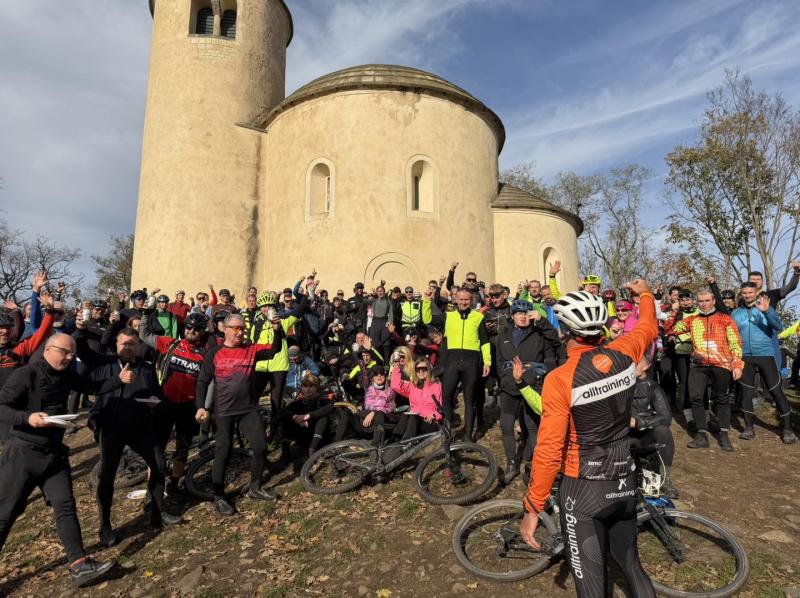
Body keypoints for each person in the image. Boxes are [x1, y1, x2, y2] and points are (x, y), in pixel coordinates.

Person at [520, 280, 658, 598]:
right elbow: (648, 327)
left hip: (583, 489)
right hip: (624, 479)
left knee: (592, 587)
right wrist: (645, 294)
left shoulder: (559, 379)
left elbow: (549, 449)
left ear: (564, 332)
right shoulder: (625, 352)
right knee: (632, 566)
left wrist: (533, 508)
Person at [0, 334, 118, 587]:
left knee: (65, 505)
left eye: (72, 354)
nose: (69, 357)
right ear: (48, 349)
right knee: (6, 512)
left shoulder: (67, 375)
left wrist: (119, 379)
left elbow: (92, 387)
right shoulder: (26, 374)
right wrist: (27, 418)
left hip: (53, 454)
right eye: (65, 352)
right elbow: (2, 407)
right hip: (22, 454)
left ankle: (79, 565)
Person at [74, 320, 180, 547]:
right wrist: (81, 329)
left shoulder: (147, 368)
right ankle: (105, 526)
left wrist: (156, 402)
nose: (128, 348)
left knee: (159, 464)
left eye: (132, 344)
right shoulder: (105, 363)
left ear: (139, 346)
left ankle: (156, 512)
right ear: (116, 344)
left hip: (140, 426)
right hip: (111, 427)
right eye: (124, 343)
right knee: (108, 475)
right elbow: (82, 350)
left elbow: (158, 394)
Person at [195, 313, 284, 516]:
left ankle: (255, 487)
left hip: (248, 409)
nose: (240, 332)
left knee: (261, 447)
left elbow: (274, 349)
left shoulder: (251, 349)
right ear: (225, 329)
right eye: (236, 328)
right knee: (223, 450)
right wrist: (201, 407)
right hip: (223, 411)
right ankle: (219, 496)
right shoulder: (214, 353)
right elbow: (202, 382)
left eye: (242, 328)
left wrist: (277, 330)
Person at [665, 290, 744, 451]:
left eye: (707, 300)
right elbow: (670, 329)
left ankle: (724, 435)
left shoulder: (725, 319)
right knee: (695, 397)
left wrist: (737, 364)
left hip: (721, 363)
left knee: (722, 398)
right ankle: (701, 434)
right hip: (698, 364)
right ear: (697, 302)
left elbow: (735, 342)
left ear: (713, 301)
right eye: (701, 301)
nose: (704, 304)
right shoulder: (692, 320)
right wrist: (674, 311)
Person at [140, 310, 210, 492]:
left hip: (189, 406)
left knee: (183, 449)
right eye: (189, 327)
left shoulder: (205, 354)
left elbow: (209, 382)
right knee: (157, 447)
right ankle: (153, 486)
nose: (192, 330)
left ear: (202, 331)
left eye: (197, 329)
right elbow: (144, 335)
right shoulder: (171, 344)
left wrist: (204, 407)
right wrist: (146, 314)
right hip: (166, 403)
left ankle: (174, 484)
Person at [495, 299, 560, 484]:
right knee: (506, 425)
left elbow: (556, 342)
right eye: (518, 314)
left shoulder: (538, 333)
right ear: (513, 316)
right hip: (509, 386)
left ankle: (536, 465)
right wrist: (505, 378)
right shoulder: (504, 334)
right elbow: (499, 360)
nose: (522, 317)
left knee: (532, 426)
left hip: (532, 385)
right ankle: (512, 464)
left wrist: (542, 321)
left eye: (525, 314)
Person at [423, 286, 490, 442]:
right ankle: (448, 433)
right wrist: (426, 301)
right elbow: (427, 320)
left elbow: (485, 341)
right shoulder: (449, 316)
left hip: (471, 361)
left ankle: (468, 436)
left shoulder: (478, 317)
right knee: (446, 397)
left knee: (469, 400)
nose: (464, 302)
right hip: (452, 361)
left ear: (471, 301)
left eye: (466, 299)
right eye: (461, 299)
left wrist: (487, 362)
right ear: (456, 300)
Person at [731, 286, 796, 443]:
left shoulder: (766, 307)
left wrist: (767, 312)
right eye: (745, 293)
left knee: (775, 390)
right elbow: (732, 335)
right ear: (741, 294)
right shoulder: (736, 313)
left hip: (765, 355)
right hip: (745, 356)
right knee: (746, 392)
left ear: (756, 293)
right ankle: (748, 428)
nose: (747, 295)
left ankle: (787, 428)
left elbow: (779, 327)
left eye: (750, 292)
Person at [630, 355, 678, 498]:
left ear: (646, 366)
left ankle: (665, 479)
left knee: (663, 431)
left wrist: (638, 422)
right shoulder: (619, 385)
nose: (630, 367)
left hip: (644, 433)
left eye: (635, 364)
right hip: (622, 434)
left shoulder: (653, 387)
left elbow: (666, 417)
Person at [278, 373, 335, 462]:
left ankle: (312, 450)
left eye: (311, 386)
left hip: (320, 440)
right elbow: (282, 412)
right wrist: (295, 417)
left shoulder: (323, 400)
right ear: (301, 388)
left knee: (323, 417)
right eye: (305, 386)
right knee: (286, 419)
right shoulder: (298, 403)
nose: (308, 389)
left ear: (316, 388)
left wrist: (308, 416)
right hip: (304, 439)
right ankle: (285, 454)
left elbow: (329, 407)